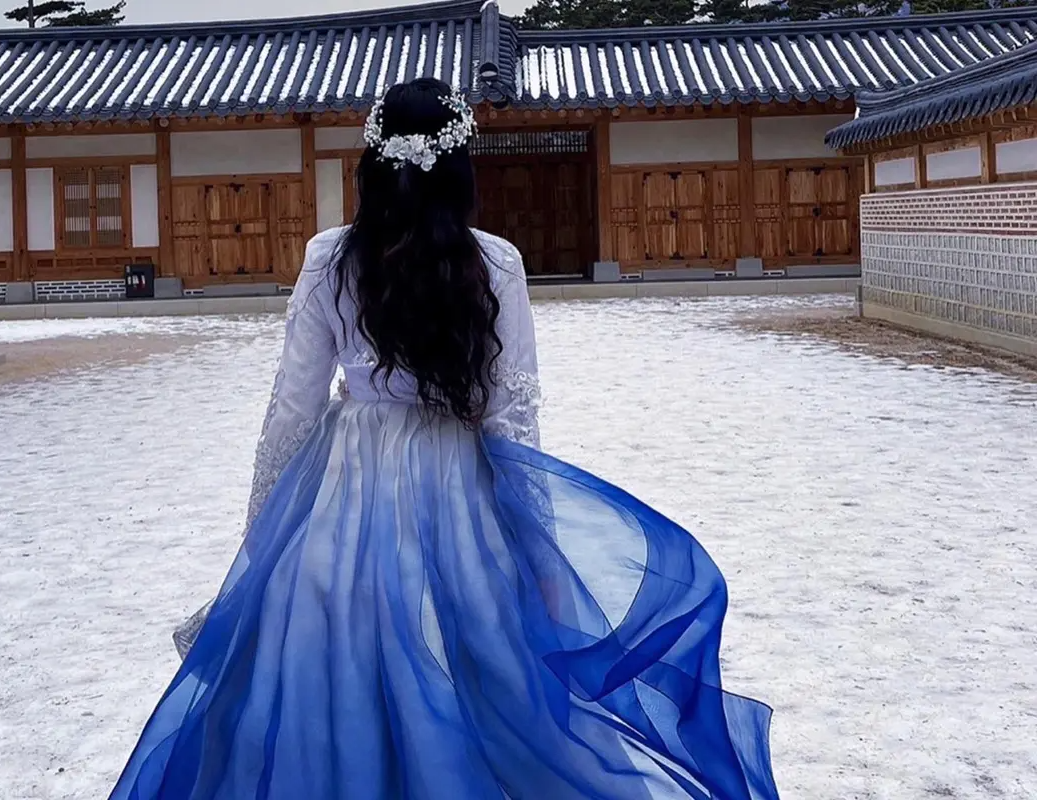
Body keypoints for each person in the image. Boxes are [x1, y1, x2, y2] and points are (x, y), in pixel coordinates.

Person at [110, 78, 779, 800]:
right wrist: (538, 550)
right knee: (472, 663)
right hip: (458, 486)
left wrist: (263, 533)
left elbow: (291, 412)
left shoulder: (329, 259)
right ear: (462, 166)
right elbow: (511, 420)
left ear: (371, 159)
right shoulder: (495, 264)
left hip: (343, 493)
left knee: (340, 672)